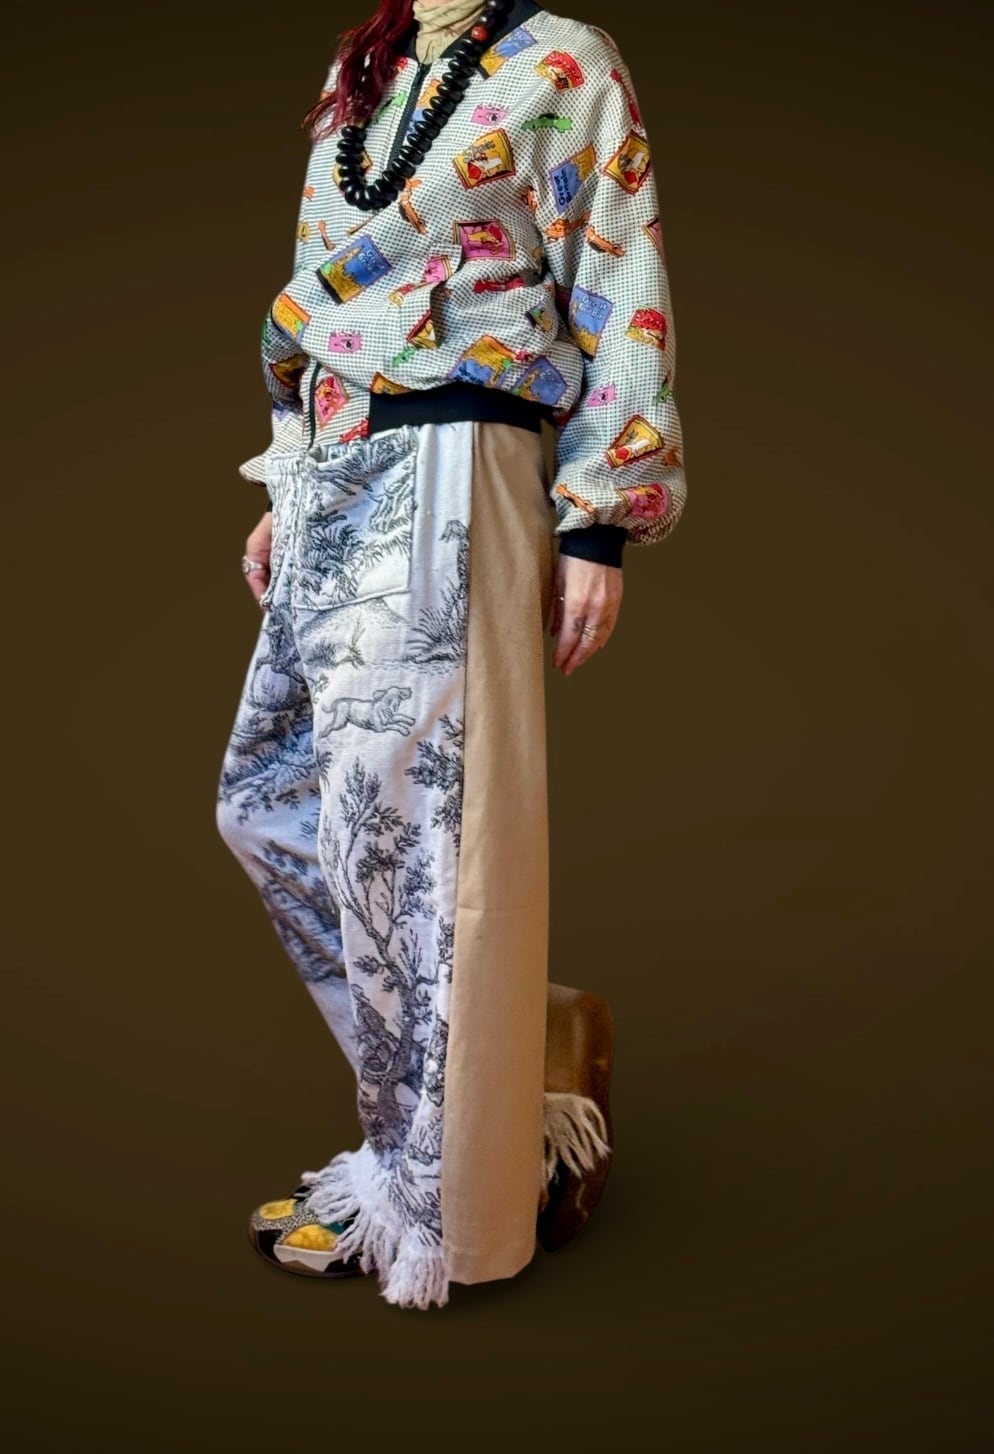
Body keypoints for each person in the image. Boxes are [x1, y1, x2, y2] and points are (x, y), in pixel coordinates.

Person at [215, 0, 687, 1310]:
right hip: (338, 459)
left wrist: (598, 520)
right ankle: (516, 1052)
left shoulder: (562, 62)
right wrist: (292, 470)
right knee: (271, 804)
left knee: (424, 838)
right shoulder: (365, 68)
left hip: (454, 458)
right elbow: (323, 281)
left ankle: (448, 1200)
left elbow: (618, 274)